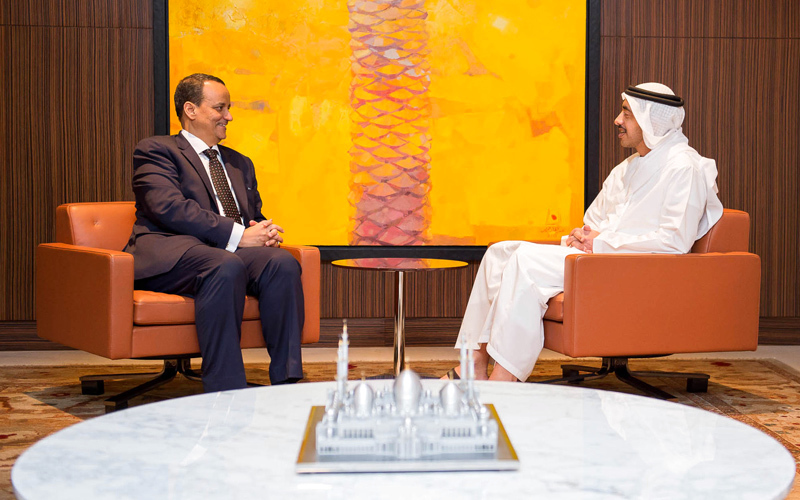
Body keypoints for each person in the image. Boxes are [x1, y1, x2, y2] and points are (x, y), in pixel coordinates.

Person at [446, 82, 724, 382]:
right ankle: (473, 365)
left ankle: (505, 378)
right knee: (499, 253)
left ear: (651, 120)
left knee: (524, 260)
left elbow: (674, 241)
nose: (617, 120)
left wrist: (600, 243)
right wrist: (581, 237)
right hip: (601, 258)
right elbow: (593, 221)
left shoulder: (684, 167)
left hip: (638, 268)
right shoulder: (628, 167)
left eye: (627, 114)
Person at [124, 73, 304, 392]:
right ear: (191, 110)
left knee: (282, 263)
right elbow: (168, 207)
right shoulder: (156, 150)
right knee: (223, 264)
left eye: (228, 108)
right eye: (220, 108)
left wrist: (262, 231)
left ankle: (287, 382)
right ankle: (225, 389)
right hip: (173, 255)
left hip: (227, 254)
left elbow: (250, 216)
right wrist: (239, 235)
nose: (229, 116)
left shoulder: (239, 162)